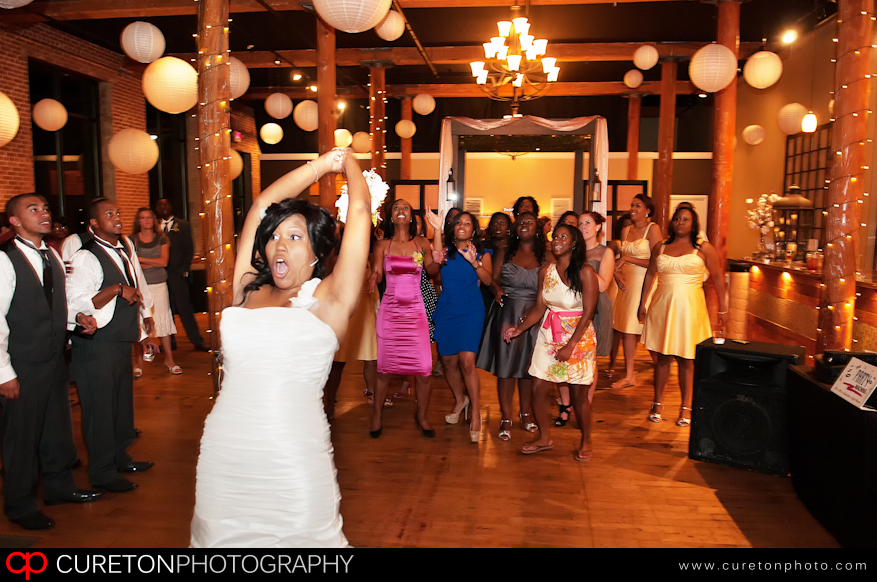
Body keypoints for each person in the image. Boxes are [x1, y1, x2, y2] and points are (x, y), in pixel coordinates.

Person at [190, 148, 369, 548]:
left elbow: (358, 209)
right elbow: (260, 206)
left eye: (294, 237)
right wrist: (319, 165)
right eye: (274, 237)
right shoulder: (246, 287)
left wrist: (347, 161)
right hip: (226, 447)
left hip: (292, 451)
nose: (279, 246)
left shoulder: (332, 298)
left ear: (317, 252)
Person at [0, 194, 103, 531]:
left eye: (45, 208)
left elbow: (54, 304)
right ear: (14, 221)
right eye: (33, 210)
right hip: (22, 362)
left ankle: (60, 488)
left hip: (54, 356)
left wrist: (78, 319)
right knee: (22, 436)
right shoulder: (5, 260)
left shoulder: (53, 256)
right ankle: (19, 504)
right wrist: (4, 372)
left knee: (56, 429)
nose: (44, 214)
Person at [66, 198, 155, 493]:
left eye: (118, 212)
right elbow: (77, 303)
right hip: (96, 344)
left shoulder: (123, 249)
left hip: (119, 339)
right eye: (108, 214)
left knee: (120, 405)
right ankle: (102, 472)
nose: (117, 217)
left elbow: (137, 287)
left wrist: (145, 324)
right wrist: (116, 290)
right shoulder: (85, 257)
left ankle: (120, 456)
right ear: (93, 223)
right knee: (99, 410)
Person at [504, 224, 598, 461]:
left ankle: (586, 440)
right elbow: (539, 307)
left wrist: (570, 345)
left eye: (563, 237)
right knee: (537, 387)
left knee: (578, 394)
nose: (557, 240)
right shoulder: (546, 270)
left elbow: (588, 312)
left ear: (574, 243)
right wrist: (518, 329)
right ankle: (544, 437)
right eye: (555, 236)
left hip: (578, 335)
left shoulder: (586, 272)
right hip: (549, 334)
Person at [638, 206, 726, 427]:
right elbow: (650, 275)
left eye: (685, 219)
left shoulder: (704, 248)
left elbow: (717, 277)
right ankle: (657, 402)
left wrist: (724, 309)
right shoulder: (661, 247)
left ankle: (686, 406)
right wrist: (642, 303)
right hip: (662, 306)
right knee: (662, 357)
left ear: (693, 223)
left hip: (690, 309)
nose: (680, 223)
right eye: (677, 218)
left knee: (687, 359)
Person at [369, 199, 440, 438]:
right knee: (384, 369)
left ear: (411, 217)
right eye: (397, 207)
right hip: (390, 312)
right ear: (391, 216)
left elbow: (432, 271)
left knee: (424, 369)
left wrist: (437, 232)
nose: (401, 210)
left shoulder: (421, 243)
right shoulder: (381, 245)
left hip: (415, 311)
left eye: (406, 208)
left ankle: (422, 415)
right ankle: (377, 415)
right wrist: (372, 277)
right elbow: (378, 274)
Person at [476, 211, 546, 440]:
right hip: (507, 313)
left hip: (534, 317)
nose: (525, 225)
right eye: (521, 222)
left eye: (530, 222)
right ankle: (506, 416)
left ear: (537, 228)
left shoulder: (545, 255)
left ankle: (526, 413)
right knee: (506, 369)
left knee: (527, 369)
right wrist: (496, 289)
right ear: (515, 229)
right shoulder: (504, 252)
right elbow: (492, 280)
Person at [428, 210, 493, 443]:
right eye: (458, 223)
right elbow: (433, 269)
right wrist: (436, 229)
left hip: (471, 310)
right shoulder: (444, 252)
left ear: (473, 230)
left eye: (467, 223)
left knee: (467, 362)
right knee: (447, 361)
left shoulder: (482, 253)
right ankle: (460, 400)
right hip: (447, 309)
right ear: (452, 228)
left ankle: (475, 412)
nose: (462, 226)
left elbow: (487, 281)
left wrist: (474, 262)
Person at [611, 194, 661, 389]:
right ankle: (629, 374)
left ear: (647, 210)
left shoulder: (652, 229)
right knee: (627, 330)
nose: (633, 208)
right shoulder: (626, 230)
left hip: (644, 281)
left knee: (646, 328)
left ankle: (660, 365)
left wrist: (628, 260)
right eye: (632, 205)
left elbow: (657, 262)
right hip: (626, 283)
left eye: (637, 205)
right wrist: (617, 274)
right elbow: (620, 260)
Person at [154, 198, 209, 352]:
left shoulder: (183, 225)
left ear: (171, 207)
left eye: (166, 204)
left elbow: (189, 248)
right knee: (165, 309)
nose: (163, 207)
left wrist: (184, 268)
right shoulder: (154, 227)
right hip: (159, 274)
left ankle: (197, 340)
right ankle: (169, 341)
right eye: (160, 205)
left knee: (184, 308)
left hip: (176, 273)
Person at [131, 208, 180, 375]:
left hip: (159, 285)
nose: (146, 221)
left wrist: (140, 260)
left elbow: (164, 262)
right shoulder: (132, 240)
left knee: (162, 321)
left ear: (153, 220)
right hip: (139, 287)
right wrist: (151, 262)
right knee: (139, 323)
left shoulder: (162, 239)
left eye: (149, 217)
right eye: (142, 218)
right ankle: (139, 363)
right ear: (138, 221)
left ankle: (169, 359)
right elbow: (132, 266)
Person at [605, 213, 633, 378]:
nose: (628, 228)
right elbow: (608, 261)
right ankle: (612, 364)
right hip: (616, 285)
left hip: (630, 284)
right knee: (616, 328)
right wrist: (615, 271)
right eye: (625, 225)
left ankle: (625, 365)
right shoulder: (616, 243)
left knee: (628, 328)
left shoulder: (633, 243)